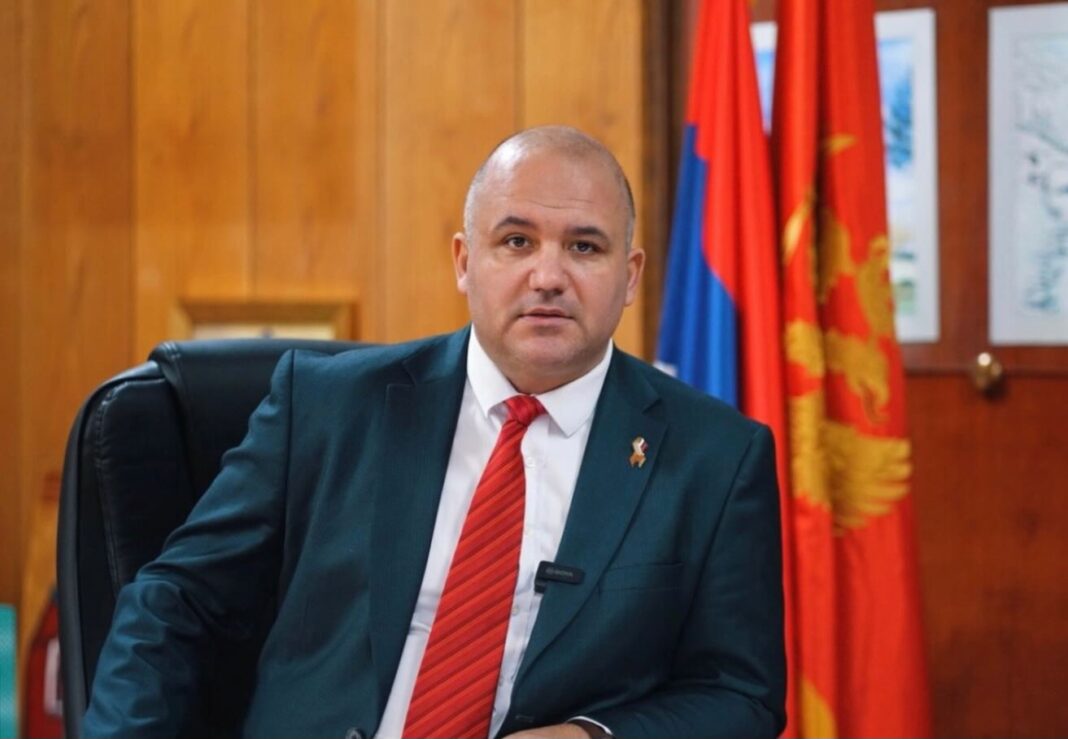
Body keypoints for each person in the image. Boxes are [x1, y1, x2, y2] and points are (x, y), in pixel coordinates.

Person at [84, 126, 785, 738]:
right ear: (464, 261)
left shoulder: (716, 458)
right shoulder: (325, 405)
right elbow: (175, 602)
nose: (548, 275)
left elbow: (740, 694)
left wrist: (594, 735)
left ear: (629, 277)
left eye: (584, 246)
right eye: (516, 241)